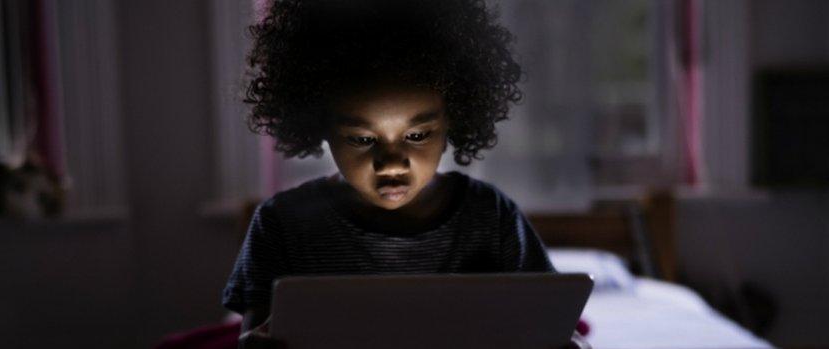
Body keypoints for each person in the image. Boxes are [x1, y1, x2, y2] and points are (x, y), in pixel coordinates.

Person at [222, 0, 588, 348]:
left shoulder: (491, 218)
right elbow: (253, 337)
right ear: (321, 127)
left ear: (452, 123)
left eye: (417, 136)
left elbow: (553, 326)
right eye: (363, 139)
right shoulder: (281, 226)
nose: (392, 163)